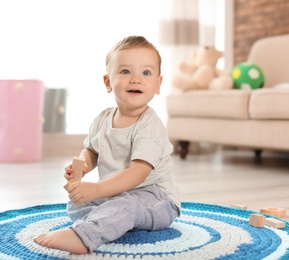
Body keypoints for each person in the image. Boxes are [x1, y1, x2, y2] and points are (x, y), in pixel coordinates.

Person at [34, 35, 181, 254]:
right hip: (117, 194)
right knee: (77, 203)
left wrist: (97, 189)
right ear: (107, 82)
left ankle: (85, 237)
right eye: (125, 71)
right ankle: (112, 221)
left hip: (155, 198)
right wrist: (83, 165)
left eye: (146, 73)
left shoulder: (150, 126)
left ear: (158, 84)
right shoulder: (102, 119)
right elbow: (92, 149)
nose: (136, 79)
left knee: (127, 205)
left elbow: (138, 174)